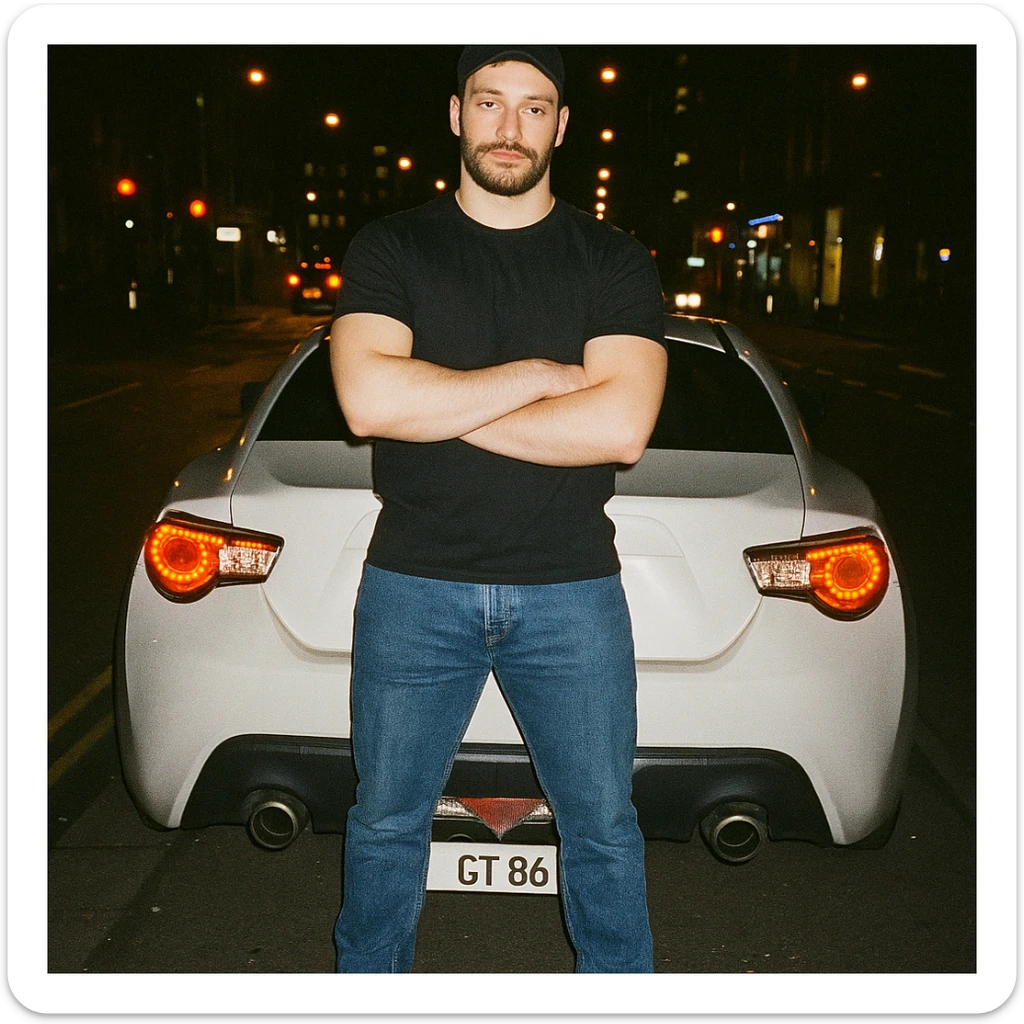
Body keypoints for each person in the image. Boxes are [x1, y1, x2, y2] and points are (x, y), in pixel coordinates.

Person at [329, 45, 668, 974]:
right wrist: (538, 380)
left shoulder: (612, 258)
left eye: (533, 107)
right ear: (456, 114)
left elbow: (624, 424)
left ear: (562, 126)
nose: (509, 127)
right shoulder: (392, 246)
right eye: (490, 102)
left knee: (602, 828)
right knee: (385, 823)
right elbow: (367, 403)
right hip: (412, 586)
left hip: (571, 591)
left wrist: (433, 402)